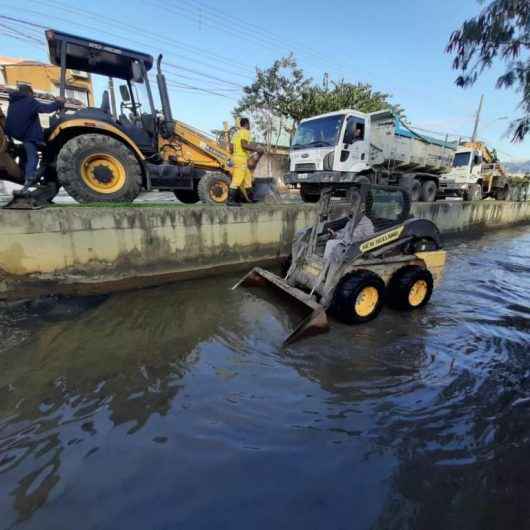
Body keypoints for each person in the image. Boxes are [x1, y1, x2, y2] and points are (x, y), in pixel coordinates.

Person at [5, 84, 64, 190]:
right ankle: (29, 179)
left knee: (25, 155)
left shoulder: (13, 101)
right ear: (29, 93)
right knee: (33, 157)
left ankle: (23, 174)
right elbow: (46, 108)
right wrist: (59, 102)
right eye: (32, 94)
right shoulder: (30, 101)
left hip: (14, 135)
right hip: (28, 135)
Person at [228, 117, 264, 206]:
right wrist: (257, 149)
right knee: (237, 180)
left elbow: (231, 148)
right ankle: (230, 201)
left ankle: (250, 199)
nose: (249, 126)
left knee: (248, 179)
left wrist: (235, 156)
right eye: (249, 124)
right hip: (241, 159)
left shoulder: (236, 134)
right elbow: (244, 145)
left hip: (236, 158)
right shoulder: (245, 132)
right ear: (246, 124)